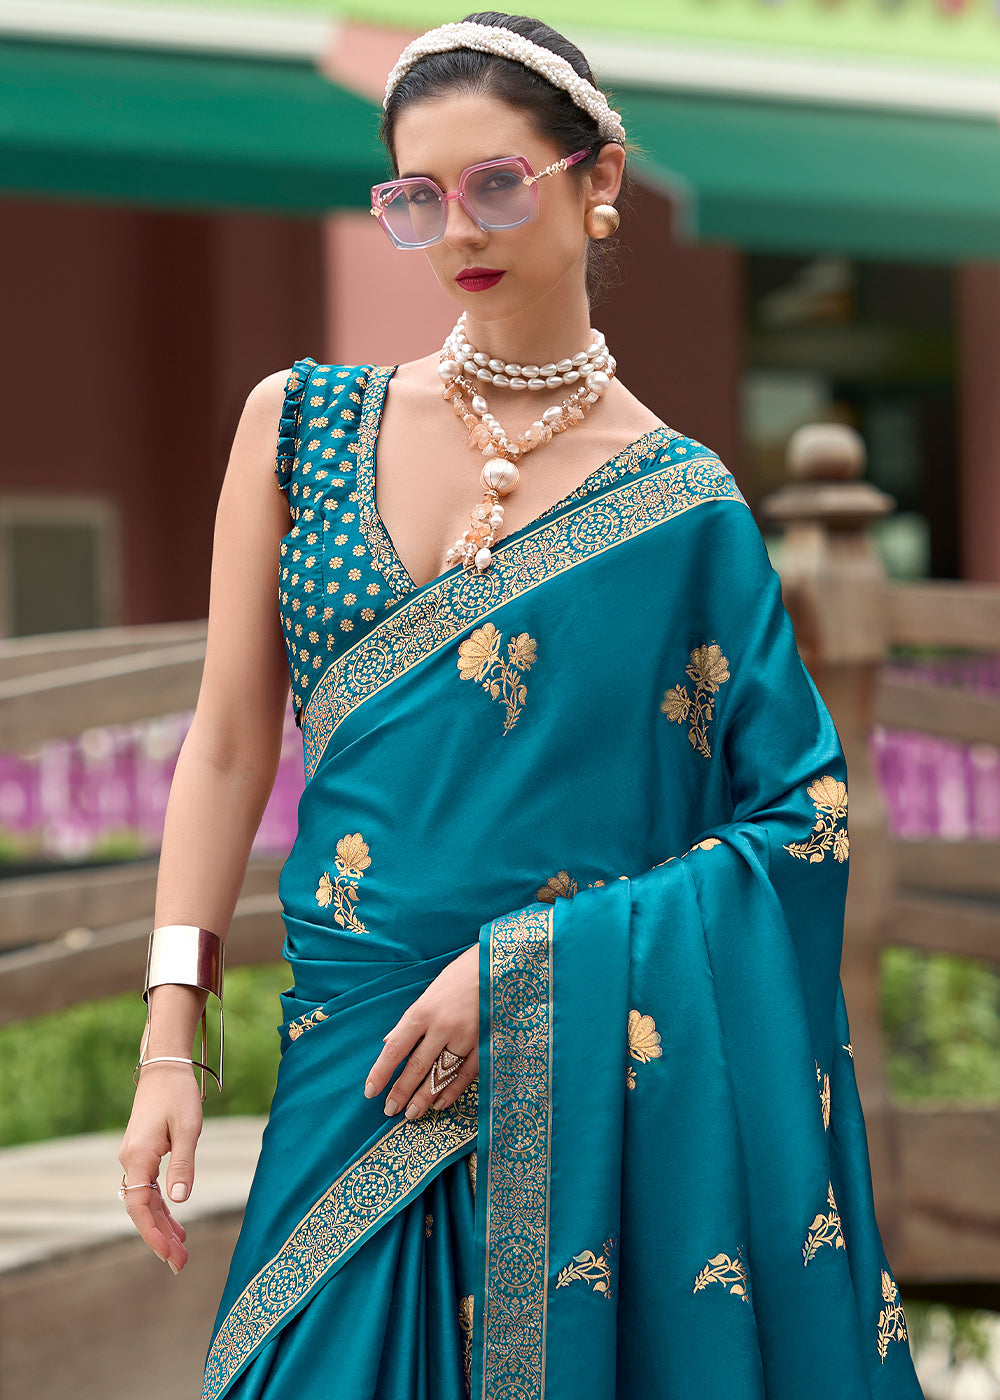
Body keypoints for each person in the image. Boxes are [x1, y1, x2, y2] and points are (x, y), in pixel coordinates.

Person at [117, 12, 926, 1399]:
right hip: (354, 1051)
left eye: (495, 184)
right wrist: (167, 1042)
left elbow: (805, 824)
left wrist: (527, 977)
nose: (456, 230)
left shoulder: (684, 511)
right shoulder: (297, 426)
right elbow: (232, 742)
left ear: (596, 177)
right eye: (415, 199)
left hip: (578, 1074)